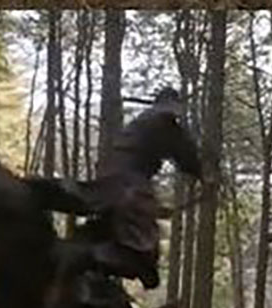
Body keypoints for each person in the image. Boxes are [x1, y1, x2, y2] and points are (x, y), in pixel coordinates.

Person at [48, 87, 202, 292]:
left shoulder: (141, 123)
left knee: (109, 231)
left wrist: (155, 208)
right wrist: (204, 174)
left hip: (108, 184)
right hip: (128, 186)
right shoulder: (165, 123)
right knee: (143, 256)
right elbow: (188, 156)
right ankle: (88, 259)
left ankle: (88, 270)